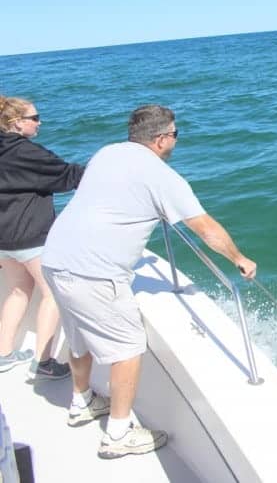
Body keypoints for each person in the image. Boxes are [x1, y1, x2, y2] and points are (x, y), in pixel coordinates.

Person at [42, 104, 257, 460]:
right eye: (174, 135)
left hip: (56, 257)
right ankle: (118, 434)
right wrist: (239, 258)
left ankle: (81, 402)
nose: (175, 141)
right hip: (95, 273)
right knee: (127, 347)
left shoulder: (107, 152)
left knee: (78, 334)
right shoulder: (163, 177)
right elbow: (203, 227)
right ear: (160, 140)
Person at [0, 95, 83, 381]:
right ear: (16, 122)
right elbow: (66, 175)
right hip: (31, 238)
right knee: (51, 294)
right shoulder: (26, 152)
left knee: (17, 291)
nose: (39, 123)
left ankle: (4, 355)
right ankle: (44, 362)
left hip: (3, 242)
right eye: (35, 118)